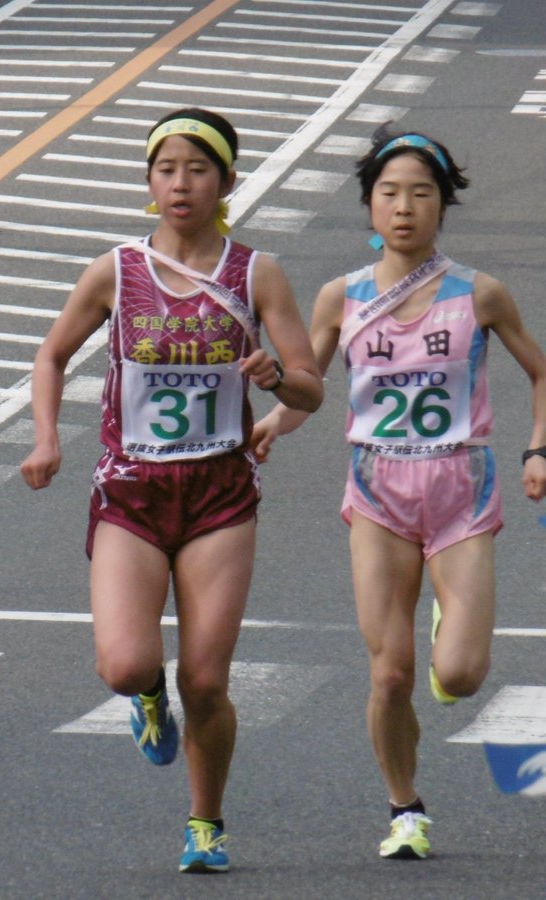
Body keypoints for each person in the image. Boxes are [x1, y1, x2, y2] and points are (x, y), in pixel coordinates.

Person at [20, 107, 323, 873]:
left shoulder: (256, 273)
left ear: (225, 182)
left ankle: (206, 823)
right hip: (132, 490)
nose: (180, 183)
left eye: (196, 168)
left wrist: (277, 377)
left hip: (220, 493)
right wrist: (47, 437)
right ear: (149, 184)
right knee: (124, 664)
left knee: (209, 679)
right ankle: (145, 697)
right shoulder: (116, 269)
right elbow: (52, 353)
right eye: (166, 169)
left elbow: (312, 386)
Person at [252, 124, 546, 860]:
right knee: (389, 674)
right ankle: (405, 807)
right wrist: (273, 417)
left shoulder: (480, 293)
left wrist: (538, 445)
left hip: (460, 488)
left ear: (442, 206)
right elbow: (310, 388)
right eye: (390, 194)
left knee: (460, 674)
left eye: (421, 193)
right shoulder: (338, 298)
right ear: (369, 206)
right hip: (378, 491)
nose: (405, 208)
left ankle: (452, 612)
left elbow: (542, 372)